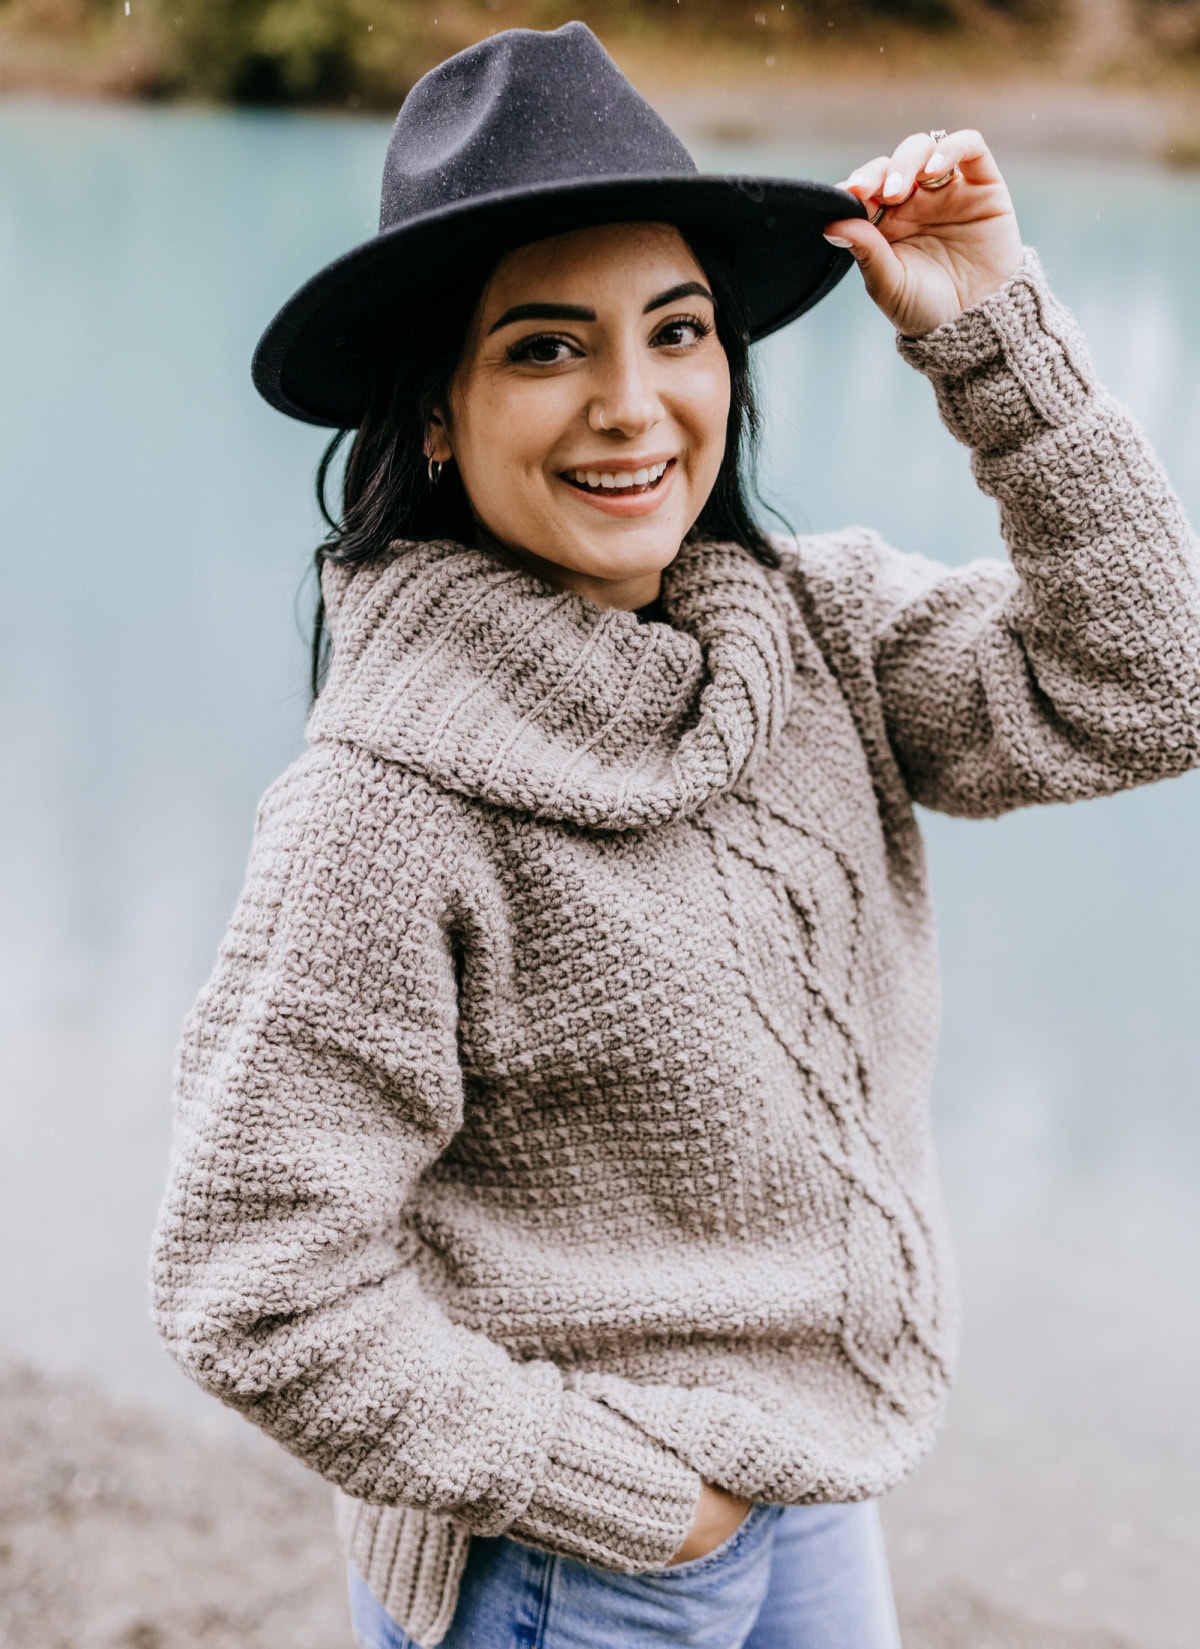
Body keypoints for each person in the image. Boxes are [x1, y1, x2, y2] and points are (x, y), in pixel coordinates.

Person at [149, 20, 1200, 1649]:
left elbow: (1148, 685)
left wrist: (992, 335)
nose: (634, 407)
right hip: (582, 1558)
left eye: (679, 331)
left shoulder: (817, 632)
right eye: (547, 348)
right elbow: (255, 1278)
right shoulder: (385, 806)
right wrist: (624, 1491)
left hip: (813, 1475)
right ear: (436, 409)